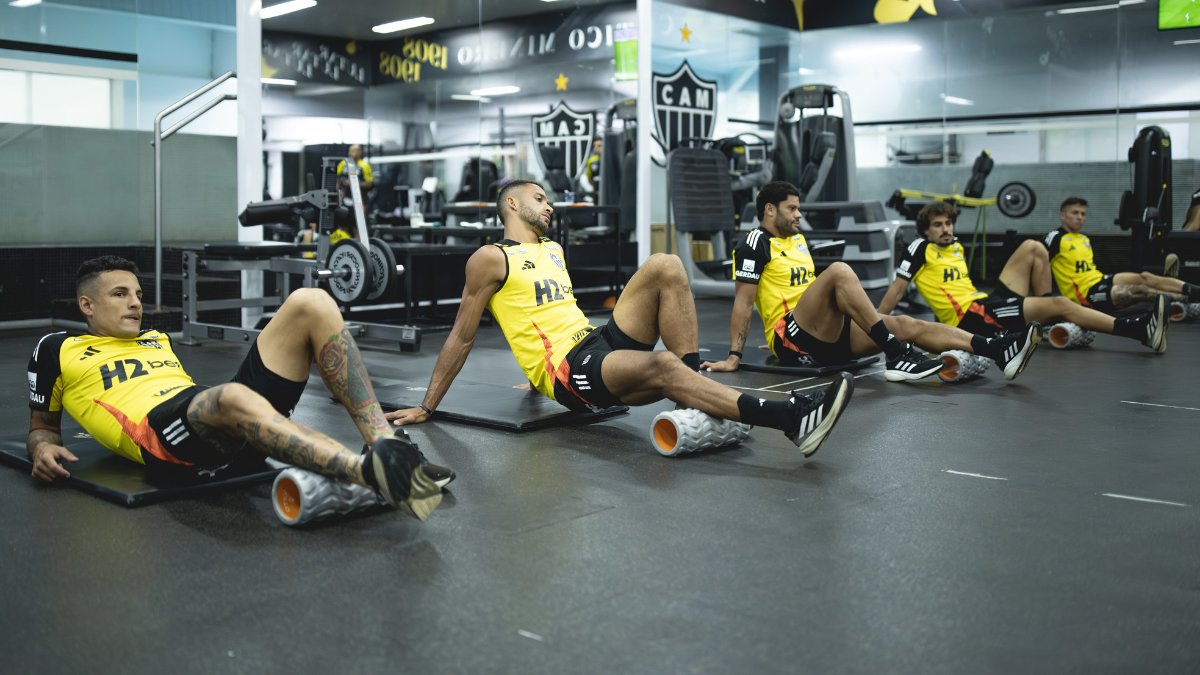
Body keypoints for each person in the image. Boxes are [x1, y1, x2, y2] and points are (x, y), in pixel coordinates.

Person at [386, 180, 854, 458]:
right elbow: (462, 336)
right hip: (570, 372)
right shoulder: (490, 258)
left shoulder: (552, 249)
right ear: (512, 204)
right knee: (663, 366)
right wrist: (428, 405)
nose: (549, 206)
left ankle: (698, 396)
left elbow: (542, 314)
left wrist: (528, 379)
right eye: (539, 198)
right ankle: (791, 419)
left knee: (665, 265)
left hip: (595, 339)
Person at [27, 256, 444, 520]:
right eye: (120, 294)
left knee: (310, 301)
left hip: (215, 423)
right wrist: (42, 447)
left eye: (137, 293)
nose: (136, 302)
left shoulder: (157, 337)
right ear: (87, 305)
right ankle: (372, 474)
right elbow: (42, 427)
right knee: (230, 396)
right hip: (162, 438)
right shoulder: (57, 348)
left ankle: (385, 446)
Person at [701, 182, 1039, 382]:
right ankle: (895, 354)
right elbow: (744, 303)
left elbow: (806, 293)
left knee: (905, 323)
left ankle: (997, 349)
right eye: (792, 209)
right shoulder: (753, 243)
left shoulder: (798, 240)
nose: (799, 214)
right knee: (838, 271)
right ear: (770, 210)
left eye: (799, 208)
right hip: (791, 337)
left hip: (818, 330)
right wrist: (735, 355)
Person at [878, 202, 1167, 353]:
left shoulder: (956, 246)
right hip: (970, 317)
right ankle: (1137, 330)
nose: (946, 229)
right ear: (926, 231)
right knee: (1062, 304)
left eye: (949, 223)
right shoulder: (920, 248)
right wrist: (875, 327)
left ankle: (1042, 312)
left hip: (984, 304)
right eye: (938, 225)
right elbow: (897, 291)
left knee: (1033, 247)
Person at [1044, 197, 1200, 312]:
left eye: (1083, 214)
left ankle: (1195, 291)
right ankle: (1185, 300)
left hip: (1099, 279)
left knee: (1145, 276)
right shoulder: (1055, 237)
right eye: (1075, 213)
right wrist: (1044, 300)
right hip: (1085, 294)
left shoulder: (1083, 238)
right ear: (1063, 215)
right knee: (1139, 290)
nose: (1080, 217)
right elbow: (1038, 261)